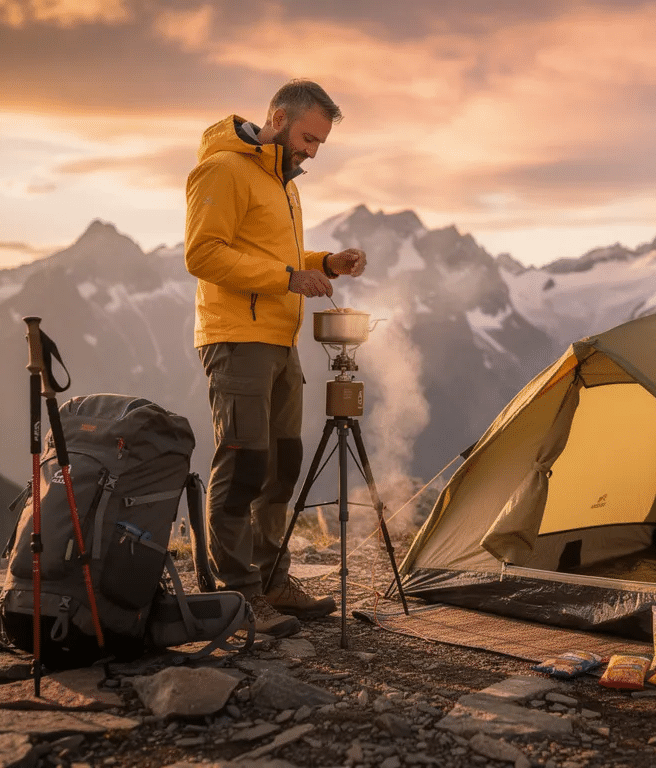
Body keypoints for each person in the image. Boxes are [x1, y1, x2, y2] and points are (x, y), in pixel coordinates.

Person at [184, 79, 367, 638]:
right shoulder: (223, 170)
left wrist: (325, 262)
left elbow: (273, 255)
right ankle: (237, 594)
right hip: (237, 337)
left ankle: (271, 579)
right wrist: (289, 277)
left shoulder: (282, 183)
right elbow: (203, 253)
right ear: (279, 119)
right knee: (243, 466)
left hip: (280, 339)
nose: (313, 151)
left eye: (320, 143)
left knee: (282, 465)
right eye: (309, 138)